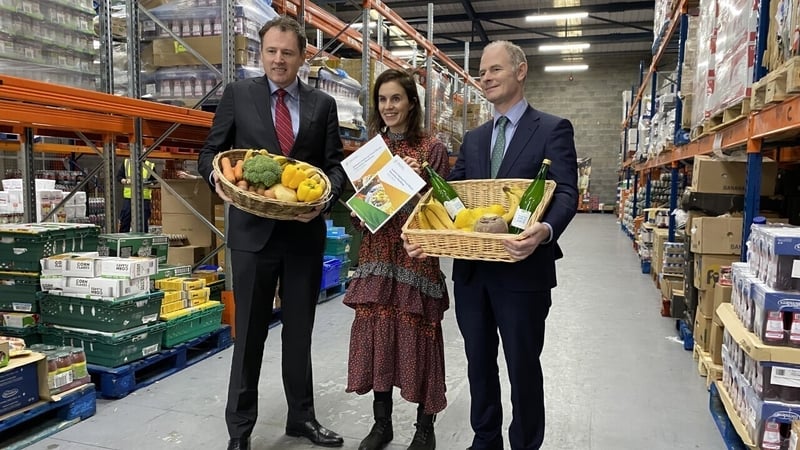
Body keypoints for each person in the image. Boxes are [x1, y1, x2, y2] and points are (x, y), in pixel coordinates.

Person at [404, 40, 578, 450]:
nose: (486, 78)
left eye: (495, 69)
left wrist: (545, 231)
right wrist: (435, 238)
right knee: (479, 364)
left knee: (522, 366)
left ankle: (525, 443)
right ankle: (485, 440)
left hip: (524, 271)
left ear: (520, 71)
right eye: (482, 72)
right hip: (473, 273)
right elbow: (456, 200)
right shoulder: (475, 138)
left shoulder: (552, 128)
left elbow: (566, 192)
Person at [196, 16, 347, 450]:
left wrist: (323, 200)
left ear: (303, 56)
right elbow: (210, 153)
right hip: (252, 236)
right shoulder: (238, 95)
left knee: (299, 333)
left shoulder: (322, 105)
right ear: (261, 54)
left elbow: (335, 165)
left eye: (287, 52)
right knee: (250, 336)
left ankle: (302, 419)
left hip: (303, 236)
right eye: (271, 51)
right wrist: (220, 181)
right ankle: (240, 431)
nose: (278, 60)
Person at [344, 69, 450, 450]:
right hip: (376, 259)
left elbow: (442, 211)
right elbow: (360, 216)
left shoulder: (432, 148)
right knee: (379, 340)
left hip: (414, 260)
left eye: (396, 99)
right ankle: (381, 424)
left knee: (419, 338)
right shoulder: (370, 151)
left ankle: (425, 428)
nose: (388, 107)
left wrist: (415, 182)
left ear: (411, 103)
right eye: (382, 100)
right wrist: (382, 190)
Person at [117, 157, 156, 232]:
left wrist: (150, 183)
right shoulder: (127, 163)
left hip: (144, 198)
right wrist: (125, 181)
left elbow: (154, 180)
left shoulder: (150, 165)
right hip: (129, 197)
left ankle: (143, 239)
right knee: (125, 219)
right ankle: (123, 239)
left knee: (143, 221)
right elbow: (119, 176)